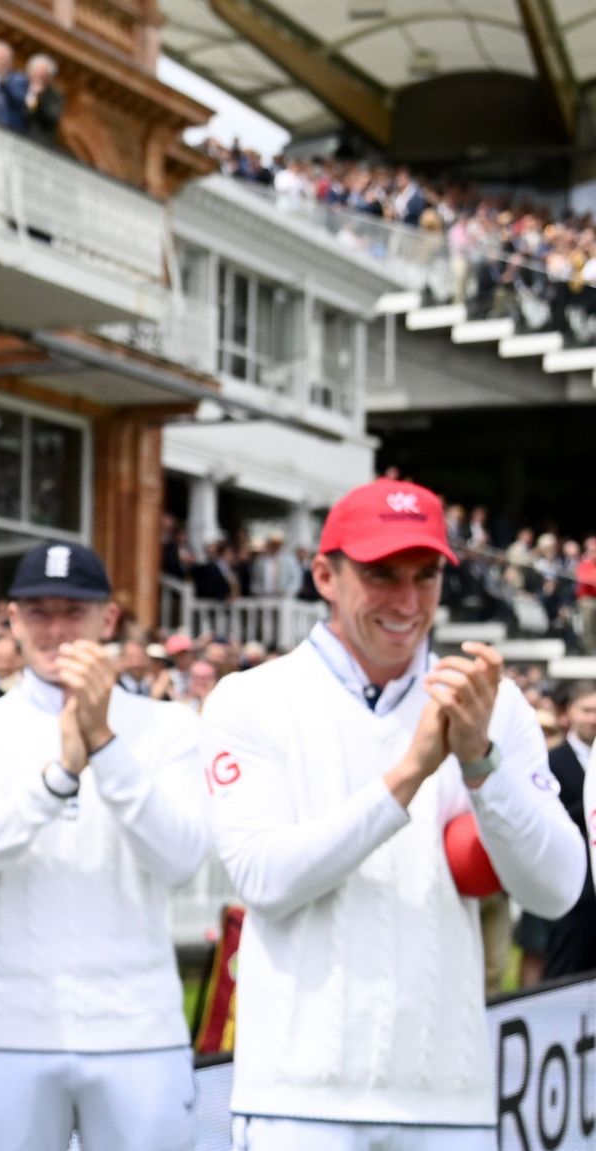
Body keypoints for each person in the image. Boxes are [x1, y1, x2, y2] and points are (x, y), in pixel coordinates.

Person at [206, 478, 584, 1148]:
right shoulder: (252, 698)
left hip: (448, 1095)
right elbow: (263, 878)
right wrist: (409, 773)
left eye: (426, 575)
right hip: (297, 1097)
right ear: (325, 574)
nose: (407, 601)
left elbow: (557, 887)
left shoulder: (492, 705)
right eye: (381, 575)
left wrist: (482, 766)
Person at [0, 542, 209, 1150]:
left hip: (139, 1029)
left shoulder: (170, 726)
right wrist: (55, 781)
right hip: (6, 1030)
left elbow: (182, 859)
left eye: (73, 612)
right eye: (39, 612)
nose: (56, 629)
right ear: (13, 620)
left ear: (107, 620)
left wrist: (105, 744)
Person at [519, 682, 596, 980]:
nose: (593, 718)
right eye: (587, 710)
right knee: (565, 971)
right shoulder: (550, 762)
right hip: (570, 888)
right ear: (568, 714)